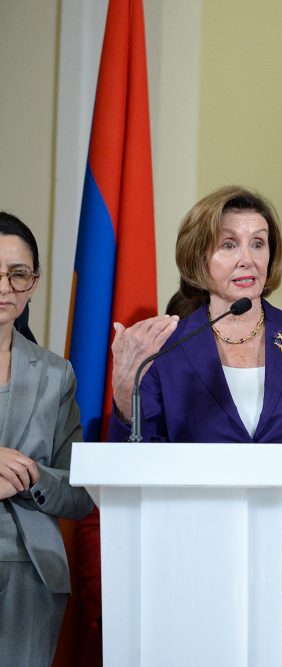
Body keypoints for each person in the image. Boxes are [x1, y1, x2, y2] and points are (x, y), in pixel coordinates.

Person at [107, 186, 282, 666]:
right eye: (229, 244)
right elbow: (135, 467)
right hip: (202, 572)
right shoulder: (166, 346)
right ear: (198, 256)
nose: (247, 257)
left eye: (258, 242)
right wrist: (126, 401)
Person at [0, 211, 93, 666]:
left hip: (31, 572)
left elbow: (80, 492)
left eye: (18, 275)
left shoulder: (57, 374)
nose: (4, 287)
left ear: (33, 284)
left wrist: (28, 474)